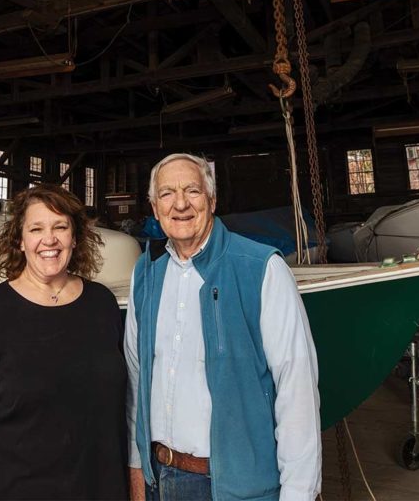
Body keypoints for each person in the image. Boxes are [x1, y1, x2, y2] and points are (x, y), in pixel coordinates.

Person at [125, 153, 321, 501]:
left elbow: (297, 390)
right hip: (159, 481)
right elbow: (137, 378)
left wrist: (298, 494)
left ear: (212, 200)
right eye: (167, 194)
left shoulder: (262, 269)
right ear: (155, 209)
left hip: (233, 487)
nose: (180, 204)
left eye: (192, 191)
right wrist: (138, 472)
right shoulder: (145, 273)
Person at [0, 184, 128, 500]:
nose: (50, 239)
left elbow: (115, 419)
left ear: (75, 237)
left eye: (60, 227)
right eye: (36, 229)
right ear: (20, 240)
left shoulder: (102, 304)